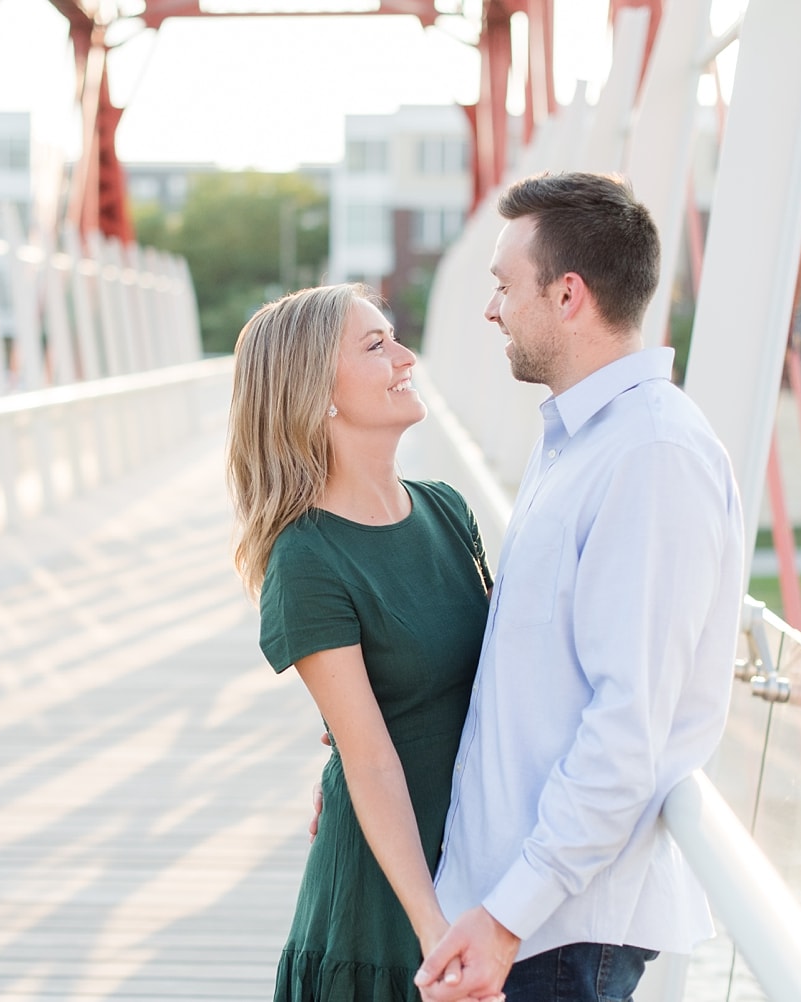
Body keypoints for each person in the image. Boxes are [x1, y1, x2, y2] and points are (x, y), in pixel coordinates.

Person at [413, 172, 747, 1002]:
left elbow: (626, 729)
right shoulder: (578, 442)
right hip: (516, 918)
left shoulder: (652, 457)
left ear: (567, 296)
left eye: (503, 286)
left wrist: (508, 917)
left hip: (557, 935)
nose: (491, 309)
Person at [226, 284, 502, 1002]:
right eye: (376, 346)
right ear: (317, 391)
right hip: (389, 910)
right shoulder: (307, 558)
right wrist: (430, 929)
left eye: (395, 338)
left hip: (481, 869)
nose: (406, 357)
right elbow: (370, 758)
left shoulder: (447, 508)